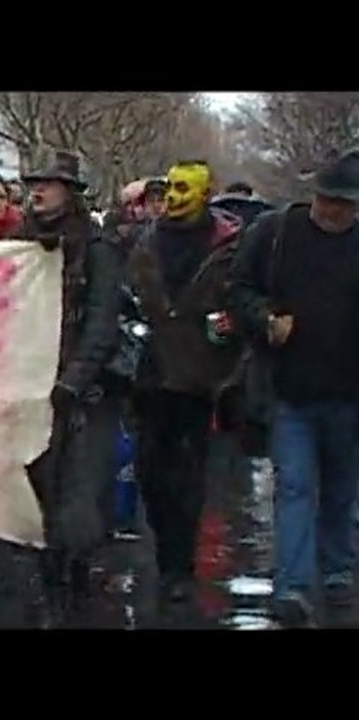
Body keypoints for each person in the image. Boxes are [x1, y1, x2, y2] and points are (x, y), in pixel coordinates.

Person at [229, 150, 359, 626]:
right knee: (296, 488)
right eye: (326, 200)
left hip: (349, 393)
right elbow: (238, 287)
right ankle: (293, 586)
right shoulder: (275, 233)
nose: (332, 211)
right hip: (289, 392)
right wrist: (264, 318)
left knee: (343, 489)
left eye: (343, 204)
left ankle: (338, 571)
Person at [127, 160, 243, 603]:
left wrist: (227, 333)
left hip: (199, 376)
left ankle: (179, 566)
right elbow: (129, 291)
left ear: (205, 194)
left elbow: (241, 299)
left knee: (188, 474)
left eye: (183, 189)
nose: (173, 197)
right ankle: (167, 553)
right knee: (151, 473)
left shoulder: (227, 246)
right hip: (151, 374)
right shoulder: (146, 241)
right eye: (170, 188)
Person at [21, 150, 124, 598]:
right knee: (39, 494)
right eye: (34, 184)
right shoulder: (20, 245)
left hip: (85, 396)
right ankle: (51, 579)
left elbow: (102, 322)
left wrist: (75, 380)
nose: (37, 192)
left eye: (47, 184)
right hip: (32, 387)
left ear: (69, 192)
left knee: (79, 499)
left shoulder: (97, 249)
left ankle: (77, 581)